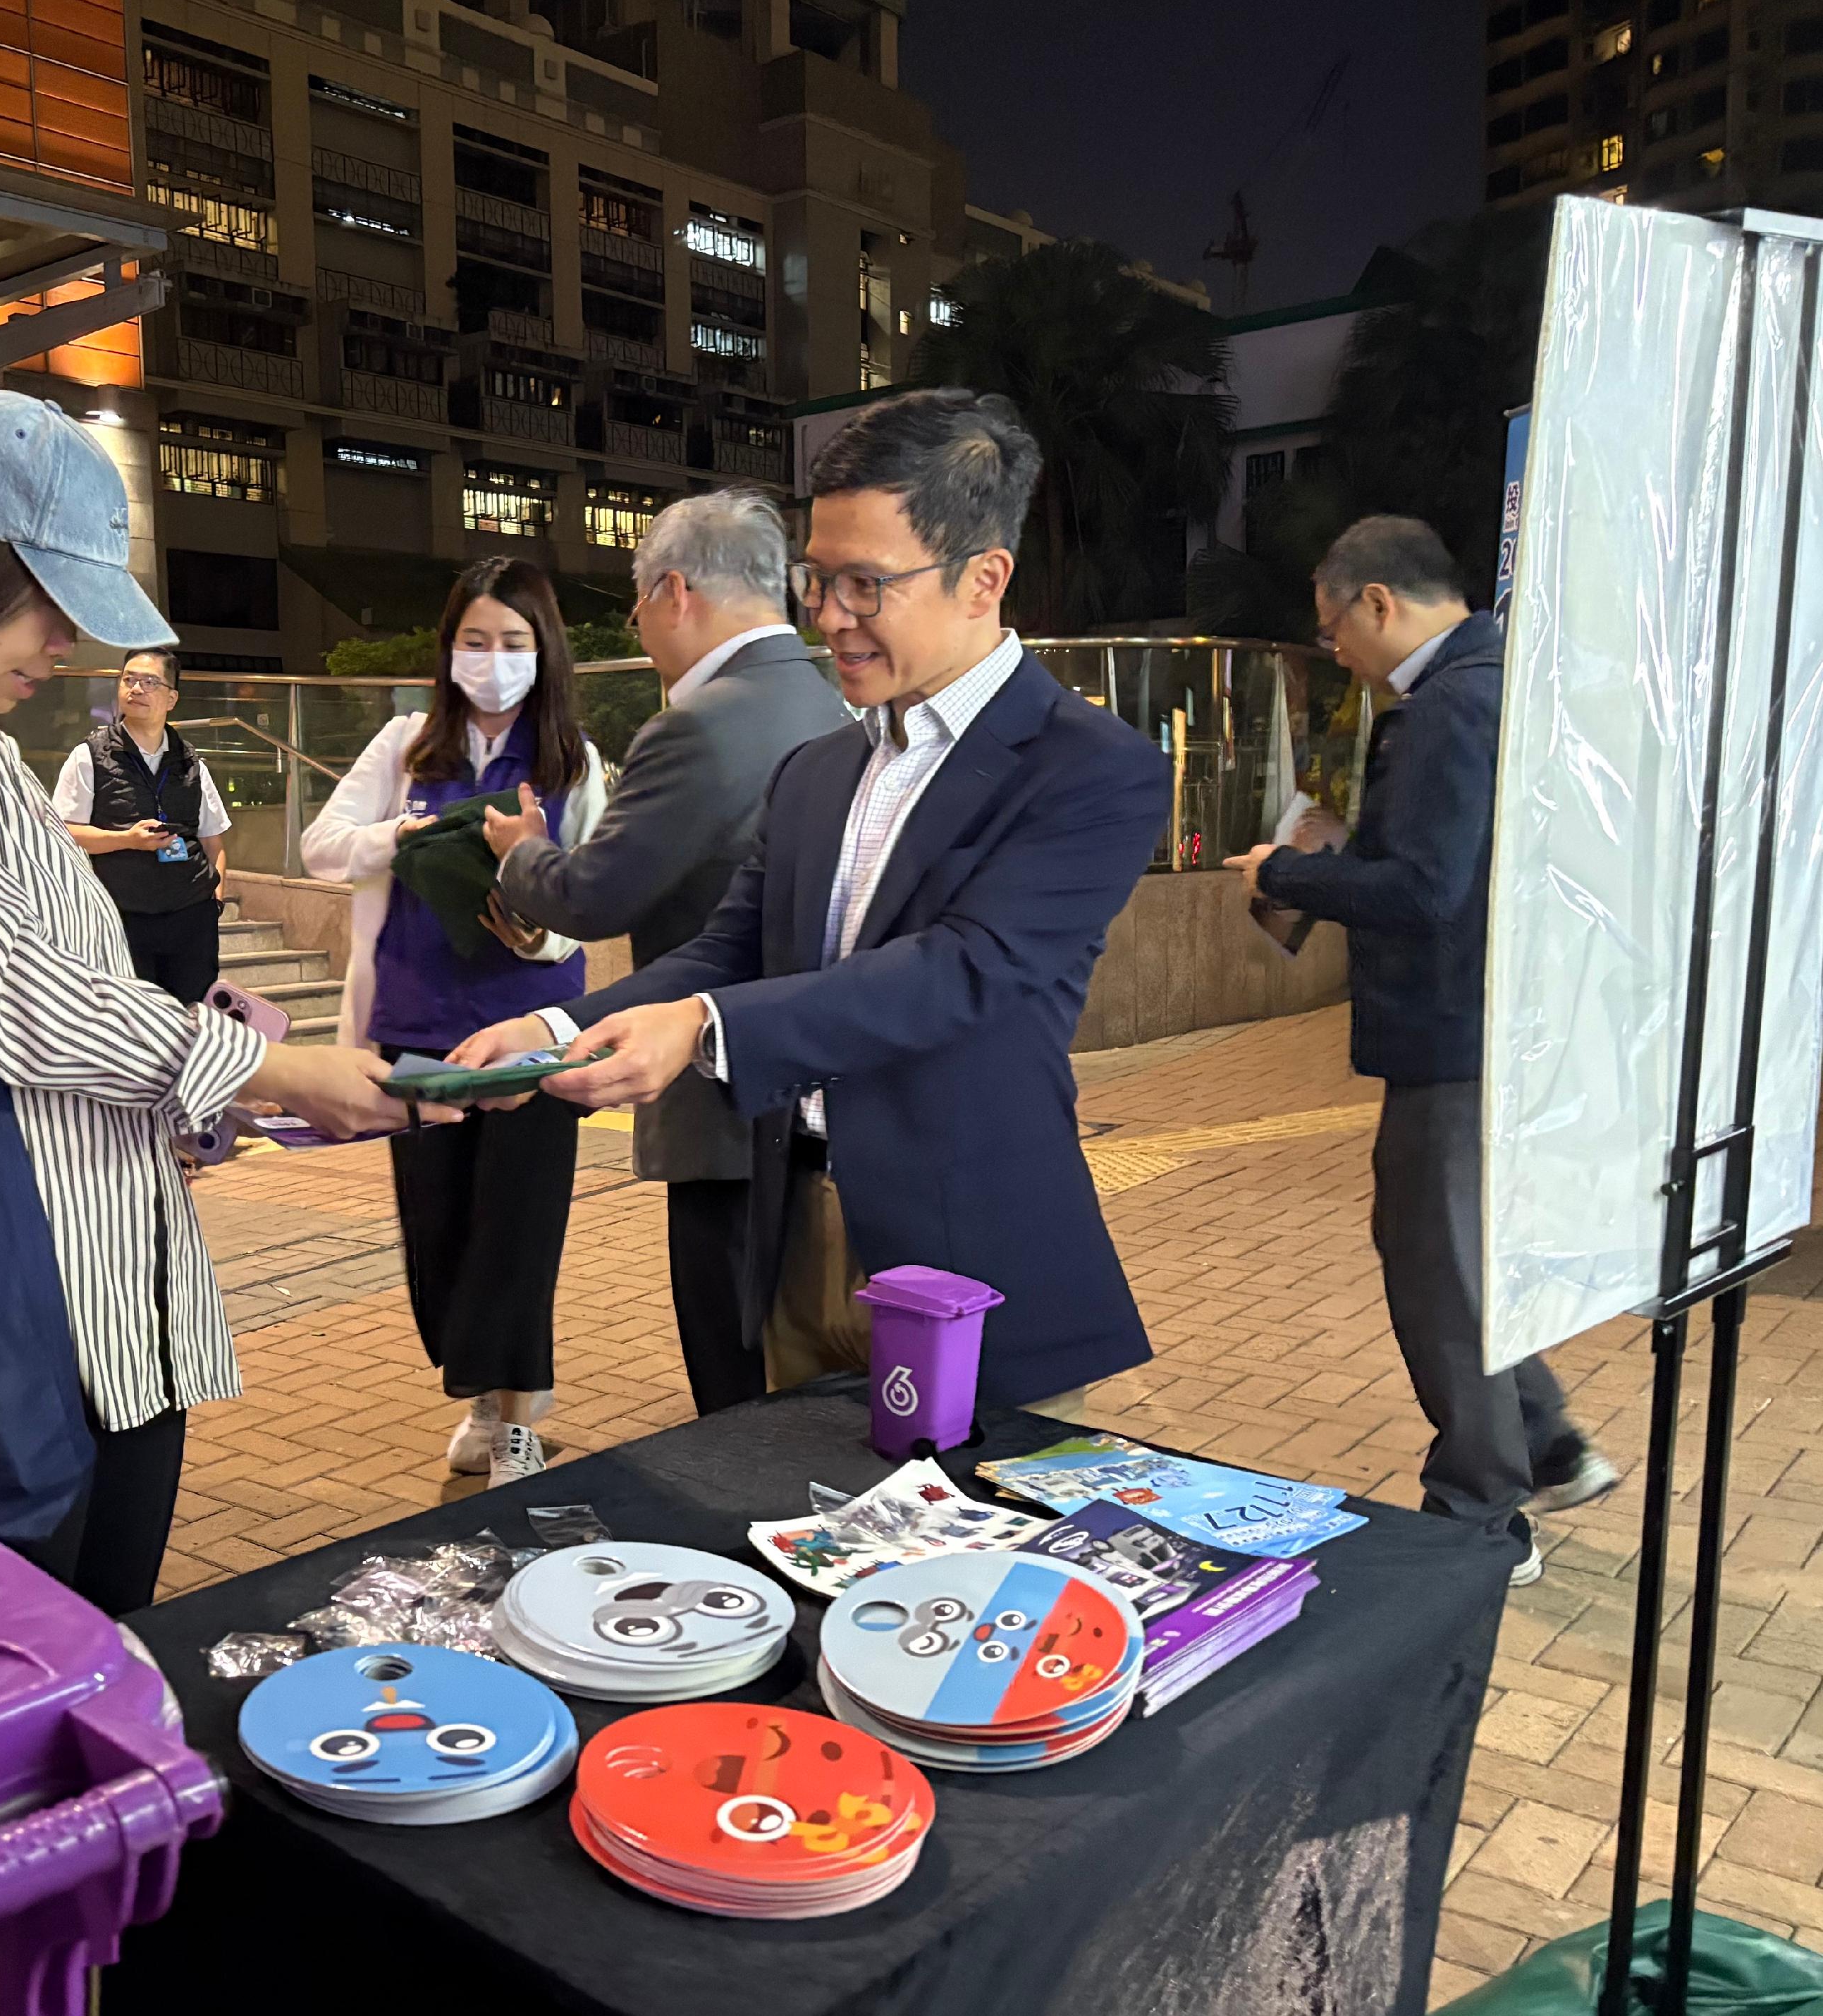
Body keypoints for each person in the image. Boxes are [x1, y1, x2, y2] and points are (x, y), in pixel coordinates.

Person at [0, 389, 421, 1613]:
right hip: (1, 1328)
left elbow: (46, 994)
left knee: (106, 1654)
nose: (67, 642)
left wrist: (201, 1091)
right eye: (49, 603)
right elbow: (9, 994)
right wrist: (271, 1070)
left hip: (95, 1309)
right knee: (29, 1692)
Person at [455, 389, 1169, 1420]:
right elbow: (735, 943)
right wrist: (558, 1027)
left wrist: (699, 1027)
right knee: (791, 1532)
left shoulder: (1091, 770)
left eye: (866, 584)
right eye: (818, 579)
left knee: (966, 1558)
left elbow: (961, 968)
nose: (828, 615)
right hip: (789, 1233)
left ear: (984, 579)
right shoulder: (818, 768)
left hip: (965, 1252)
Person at [1228, 515, 1613, 1586]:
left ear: (1378, 603)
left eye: (1334, 627)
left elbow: (1428, 892)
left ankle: (1482, 1516)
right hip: (1495, 1028)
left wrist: (1285, 874)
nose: (1337, 650)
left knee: (1435, 1266)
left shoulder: (1451, 705)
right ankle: (1546, 1441)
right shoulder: (1501, 682)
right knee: (1454, 1254)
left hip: (1455, 1035)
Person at [480, 489, 845, 1415]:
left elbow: (596, 894)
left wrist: (518, 854)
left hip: (720, 1104)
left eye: (638, 603)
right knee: (814, 1373)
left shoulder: (697, 725)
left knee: (732, 1384)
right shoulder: (838, 700)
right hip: (823, 1094)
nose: (640, 628)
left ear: (675, 590)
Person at [303, 557, 608, 1486]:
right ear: (448, 650)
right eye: (475, 641)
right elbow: (323, 847)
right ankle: (481, 1396)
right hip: (417, 1031)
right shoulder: (406, 745)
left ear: (543, 652)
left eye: (513, 643)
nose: (492, 660)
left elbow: (594, 901)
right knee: (440, 1246)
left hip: (527, 1039)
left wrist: (538, 924)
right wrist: (400, 835)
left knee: (516, 1237)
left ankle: (513, 1419)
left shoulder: (572, 763)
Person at [50, 648, 231, 1003]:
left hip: (191, 917)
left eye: (150, 682)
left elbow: (214, 841)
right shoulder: (90, 755)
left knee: (192, 1019)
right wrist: (127, 840)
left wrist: (215, 901)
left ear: (172, 698)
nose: (136, 689)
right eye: (129, 679)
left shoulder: (191, 762)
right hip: (123, 915)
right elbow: (66, 833)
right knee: (130, 1022)